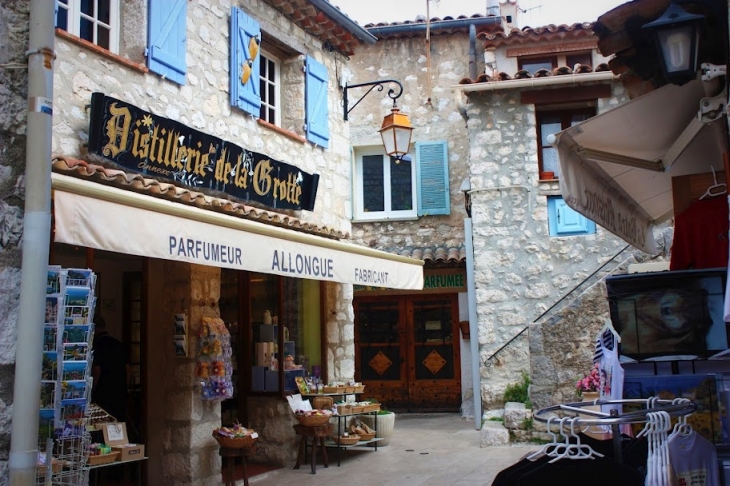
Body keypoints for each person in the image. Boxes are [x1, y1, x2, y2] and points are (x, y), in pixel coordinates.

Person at [91, 316, 128, 423]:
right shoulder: (117, 344)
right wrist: (126, 387)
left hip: (103, 391)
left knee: (101, 422)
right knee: (118, 422)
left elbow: (96, 370)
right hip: (119, 391)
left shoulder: (96, 345)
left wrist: (92, 390)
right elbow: (127, 368)